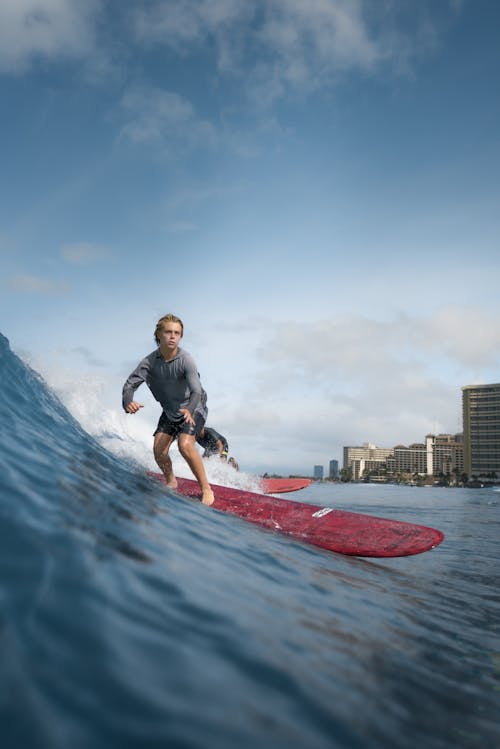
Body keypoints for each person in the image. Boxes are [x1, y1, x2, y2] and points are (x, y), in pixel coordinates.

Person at [122, 313, 214, 506]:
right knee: (159, 450)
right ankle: (171, 481)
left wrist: (189, 409)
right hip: (171, 410)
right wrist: (128, 402)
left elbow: (196, 391)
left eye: (177, 333)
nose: (173, 336)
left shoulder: (185, 359)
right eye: (168, 332)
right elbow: (129, 386)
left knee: (185, 446)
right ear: (159, 335)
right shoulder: (149, 363)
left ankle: (206, 489)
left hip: (194, 406)